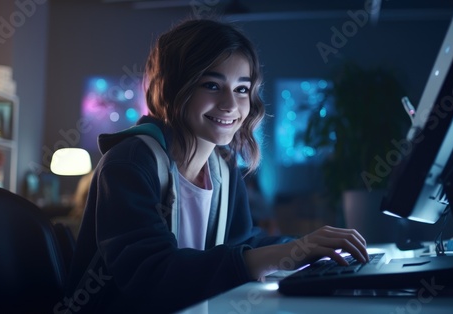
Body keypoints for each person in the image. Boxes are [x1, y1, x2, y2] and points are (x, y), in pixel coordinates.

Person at [65, 18, 369, 313]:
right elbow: (153, 278)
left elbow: (241, 242)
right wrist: (284, 253)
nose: (230, 105)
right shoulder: (130, 163)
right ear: (172, 88)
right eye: (211, 85)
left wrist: (306, 247)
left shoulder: (223, 167)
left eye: (241, 89)